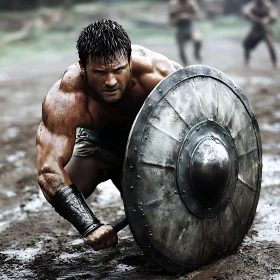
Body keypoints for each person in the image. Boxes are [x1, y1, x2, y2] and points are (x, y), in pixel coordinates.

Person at [36, 19, 181, 251]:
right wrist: (89, 225)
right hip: (99, 145)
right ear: (83, 67)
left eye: (118, 70)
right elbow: (48, 171)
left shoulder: (158, 74)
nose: (111, 81)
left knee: (161, 230)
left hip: (150, 143)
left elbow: (194, 116)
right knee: (62, 189)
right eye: (100, 72)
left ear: (130, 61)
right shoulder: (65, 99)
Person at [242, 0, 278, 69]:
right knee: (246, 44)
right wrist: (255, 18)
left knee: (270, 46)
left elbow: (273, 15)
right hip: (256, 29)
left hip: (265, 30)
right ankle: (246, 62)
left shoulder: (268, 5)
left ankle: (275, 63)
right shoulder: (253, 5)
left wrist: (266, 19)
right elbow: (246, 12)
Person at [168, 0, 202, 66]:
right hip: (180, 28)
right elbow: (170, 20)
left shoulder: (191, 3)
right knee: (181, 50)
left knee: (197, 40)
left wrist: (188, 16)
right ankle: (185, 65)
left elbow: (197, 16)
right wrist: (178, 18)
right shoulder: (174, 4)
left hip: (190, 26)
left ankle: (196, 53)